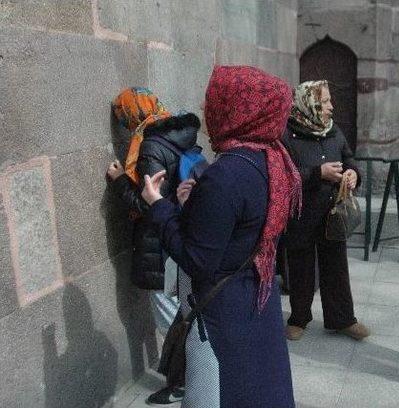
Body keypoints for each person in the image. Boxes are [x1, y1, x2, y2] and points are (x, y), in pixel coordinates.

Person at [141, 65, 300, 408]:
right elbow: (241, 227)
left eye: (213, 101)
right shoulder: (272, 159)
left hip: (225, 315)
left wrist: (158, 205)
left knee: (226, 393)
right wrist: (195, 205)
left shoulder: (228, 173)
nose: (206, 108)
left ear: (237, 109)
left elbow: (198, 260)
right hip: (258, 298)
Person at [106, 87, 201, 405]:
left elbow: (149, 202)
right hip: (181, 230)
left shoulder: (150, 145)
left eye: (124, 118)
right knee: (181, 313)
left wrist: (119, 180)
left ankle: (184, 383)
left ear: (134, 114)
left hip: (160, 241)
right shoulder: (178, 132)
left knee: (171, 318)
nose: (124, 126)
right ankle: (190, 375)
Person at [280, 80, 370, 341]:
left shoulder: (334, 131)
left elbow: (349, 159)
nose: (331, 106)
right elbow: (285, 177)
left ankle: (342, 319)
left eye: (330, 100)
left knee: (336, 267)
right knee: (301, 268)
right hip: (302, 215)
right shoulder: (287, 135)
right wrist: (317, 174)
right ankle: (299, 318)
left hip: (333, 213)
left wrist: (353, 173)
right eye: (325, 102)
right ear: (309, 104)